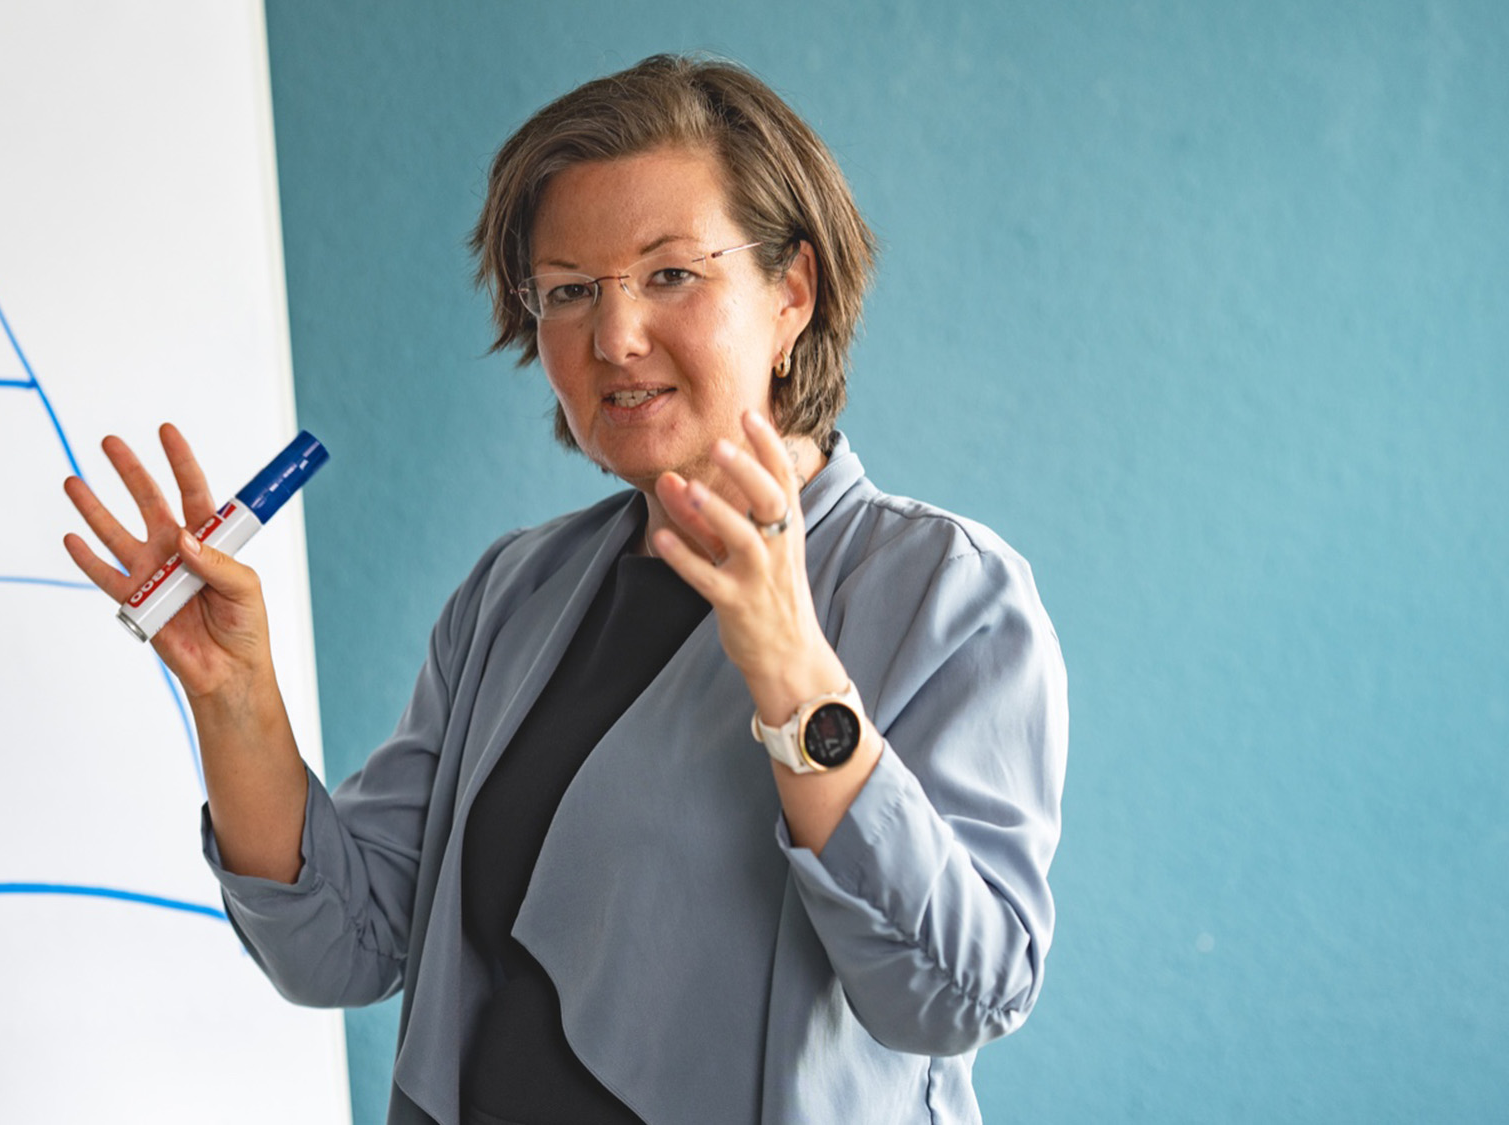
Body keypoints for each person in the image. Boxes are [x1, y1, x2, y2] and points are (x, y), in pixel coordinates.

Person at [64, 53, 1067, 1125]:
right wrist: (234, 692)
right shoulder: (517, 592)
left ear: (791, 293)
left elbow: (958, 994)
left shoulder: (944, 595)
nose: (614, 335)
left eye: (669, 274)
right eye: (568, 291)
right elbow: (335, 948)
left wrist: (789, 669)